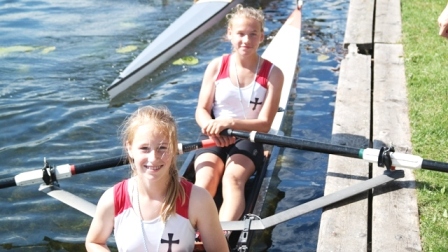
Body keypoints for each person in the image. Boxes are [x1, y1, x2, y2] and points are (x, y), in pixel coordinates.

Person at [85, 105, 229, 251]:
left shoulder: (198, 200)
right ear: (129, 148)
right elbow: (94, 242)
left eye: (162, 148)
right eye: (144, 149)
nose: (153, 159)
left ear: (173, 149)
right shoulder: (113, 199)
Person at [194, 4, 284, 227]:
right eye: (241, 34)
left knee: (232, 179)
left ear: (262, 37)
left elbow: (264, 124)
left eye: (253, 34)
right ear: (230, 35)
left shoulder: (273, 74)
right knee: (204, 181)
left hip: (250, 139)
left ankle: (221, 236)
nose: (246, 40)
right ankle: (191, 233)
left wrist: (230, 123)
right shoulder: (217, 66)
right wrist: (210, 127)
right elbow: (201, 110)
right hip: (214, 136)